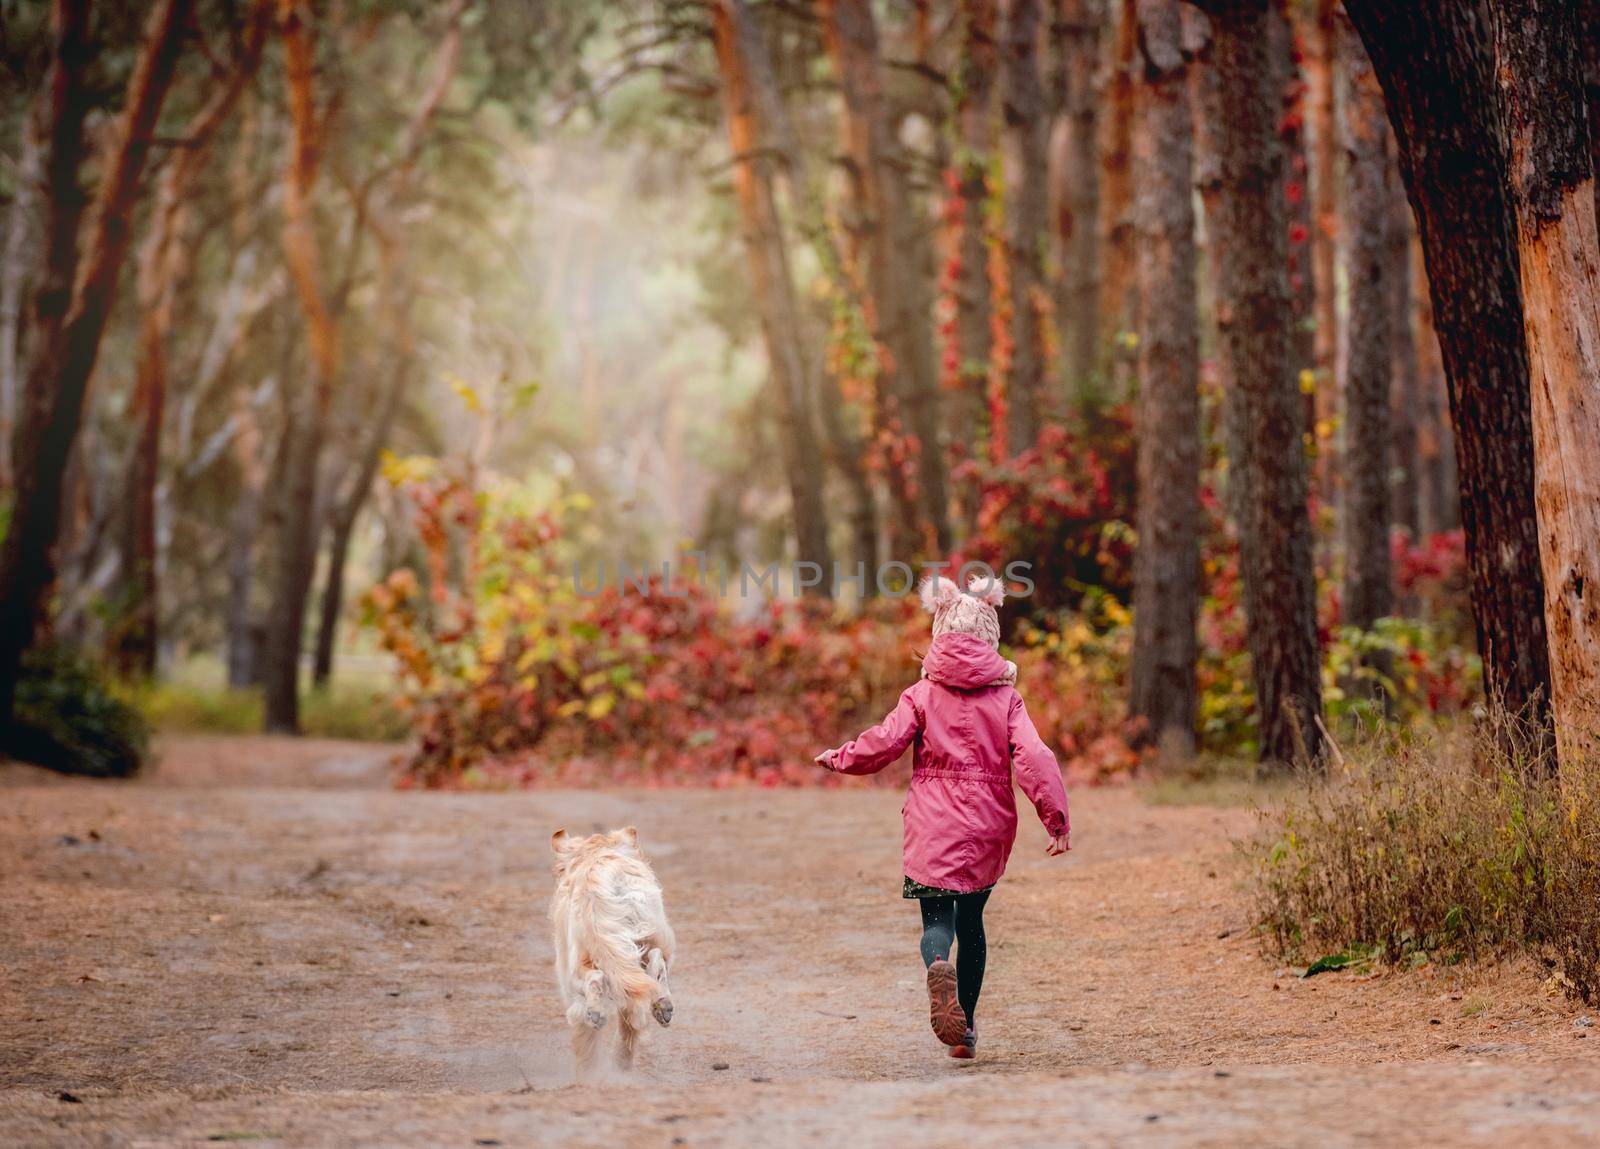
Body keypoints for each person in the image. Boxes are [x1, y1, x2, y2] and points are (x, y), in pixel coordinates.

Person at [814, 573, 1070, 1060]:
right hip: (990, 824)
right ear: (991, 634)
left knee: (937, 919)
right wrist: (1056, 818)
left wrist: (840, 757)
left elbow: (885, 741)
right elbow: (1036, 757)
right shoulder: (1006, 698)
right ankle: (966, 1030)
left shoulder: (921, 694)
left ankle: (937, 964)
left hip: (932, 819)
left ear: (940, 632)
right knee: (972, 921)